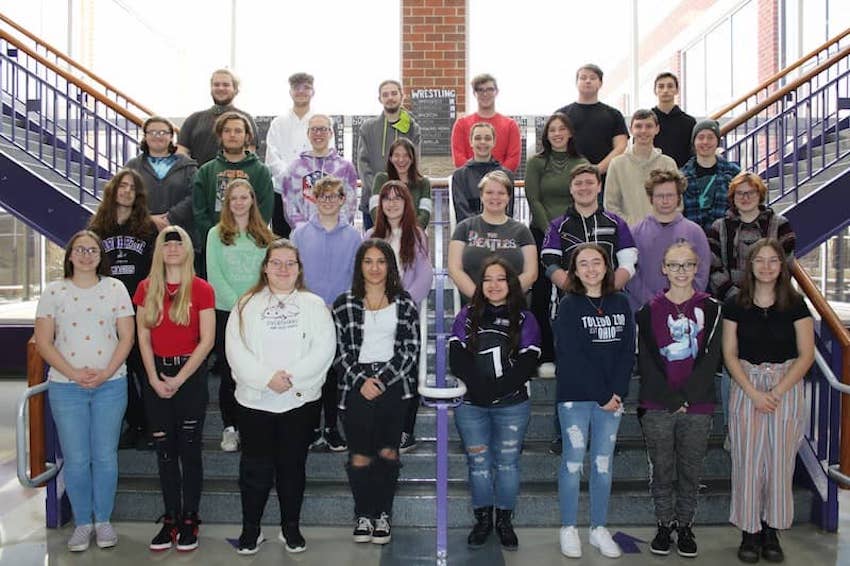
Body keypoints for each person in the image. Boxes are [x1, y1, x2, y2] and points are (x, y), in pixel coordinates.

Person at [225, 239, 336, 555]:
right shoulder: (246, 304)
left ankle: (291, 528)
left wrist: (291, 379)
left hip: (299, 402)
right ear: (265, 267)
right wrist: (265, 379)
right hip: (255, 402)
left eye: (291, 263)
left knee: (292, 467)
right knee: (254, 470)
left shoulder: (314, 305)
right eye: (276, 263)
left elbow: (324, 349)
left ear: (299, 269)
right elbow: (235, 349)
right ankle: (251, 529)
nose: (283, 269)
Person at [34, 230, 134, 552]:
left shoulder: (116, 288)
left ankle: (102, 521)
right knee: (76, 459)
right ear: (70, 255)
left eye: (92, 249)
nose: (87, 255)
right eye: (80, 249)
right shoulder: (54, 291)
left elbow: (127, 338)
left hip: (111, 384)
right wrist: (74, 373)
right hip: (66, 387)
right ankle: (82, 523)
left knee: (104, 457)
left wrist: (105, 373)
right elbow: (44, 343)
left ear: (100, 255)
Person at [722, 239, 813, 563]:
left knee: (779, 463)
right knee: (747, 462)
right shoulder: (735, 303)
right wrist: (754, 392)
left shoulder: (796, 304)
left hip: (785, 388)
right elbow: (729, 354)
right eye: (759, 260)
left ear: (781, 265)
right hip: (747, 386)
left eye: (772, 260)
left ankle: (772, 531)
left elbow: (806, 355)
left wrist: (775, 392)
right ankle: (750, 532)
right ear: (750, 265)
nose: (766, 266)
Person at [541, 164, 637, 455]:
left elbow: (628, 263)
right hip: (569, 307)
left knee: (608, 365)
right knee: (570, 367)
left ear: (599, 186)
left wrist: (607, 290)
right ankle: (564, 434)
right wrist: (578, 290)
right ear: (571, 189)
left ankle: (605, 431)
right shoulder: (557, 225)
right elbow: (550, 263)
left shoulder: (616, 222)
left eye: (589, 183)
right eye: (578, 183)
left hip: (610, 307)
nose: (583, 188)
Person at [636, 241, 723, 558]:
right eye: (674, 265)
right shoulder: (648, 311)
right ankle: (663, 524)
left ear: (697, 266)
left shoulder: (712, 309)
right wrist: (672, 398)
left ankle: (685, 526)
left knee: (690, 470)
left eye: (687, 264)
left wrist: (686, 397)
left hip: (698, 405)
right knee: (662, 469)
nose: (681, 271)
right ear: (663, 268)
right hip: (658, 405)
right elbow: (646, 362)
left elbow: (712, 359)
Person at [449, 257, 541, 550]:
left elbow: (528, 361)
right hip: (471, 406)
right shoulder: (466, 314)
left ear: (511, 283)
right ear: (480, 284)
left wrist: (497, 391)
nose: (494, 285)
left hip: (512, 405)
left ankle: (504, 520)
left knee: (507, 464)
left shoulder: (526, 318)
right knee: (478, 463)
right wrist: (480, 391)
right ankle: (483, 520)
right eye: (488, 279)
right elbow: (457, 358)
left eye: (501, 279)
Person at [332, 240, 420, 545]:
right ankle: (363, 515)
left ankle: (383, 514)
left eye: (381, 261)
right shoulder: (344, 303)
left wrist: (381, 379)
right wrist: (361, 381)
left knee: (387, 452)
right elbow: (340, 352)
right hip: (354, 387)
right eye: (368, 261)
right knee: (360, 456)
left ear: (390, 266)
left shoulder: (405, 303)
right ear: (359, 266)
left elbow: (410, 350)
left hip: (394, 386)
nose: (374, 267)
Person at [134, 226, 215, 552]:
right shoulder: (145, 288)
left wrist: (180, 378)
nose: (171, 248)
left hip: (190, 378)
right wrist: (153, 378)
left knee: (190, 451)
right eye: (165, 243)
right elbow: (142, 336)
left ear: (187, 249)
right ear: (158, 251)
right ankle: (170, 517)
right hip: (156, 377)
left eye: (177, 242)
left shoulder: (201, 289)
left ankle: (190, 518)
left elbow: (207, 340)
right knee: (166, 453)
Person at [554, 243, 635, 560]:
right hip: (576, 397)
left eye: (596, 262)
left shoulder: (621, 302)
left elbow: (627, 351)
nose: (590, 269)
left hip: (612, 400)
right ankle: (569, 527)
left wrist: (615, 392)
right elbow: (571, 355)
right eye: (583, 264)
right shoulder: (570, 305)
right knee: (573, 463)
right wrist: (602, 395)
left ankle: (598, 527)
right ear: (574, 271)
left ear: (607, 266)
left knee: (603, 464)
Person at [87, 169, 157, 451]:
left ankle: (154, 426)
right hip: (108, 312)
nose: (127, 191)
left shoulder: (149, 227)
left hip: (139, 309)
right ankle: (136, 424)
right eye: (122, 186)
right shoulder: (97, 229)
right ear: (113, 191)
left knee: (144, 368)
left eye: (132, 188)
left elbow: (155, 269)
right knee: (120, 371)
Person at [291, 176, 361, 452]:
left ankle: (331, 427)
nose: (328, 201)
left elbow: (357, 277)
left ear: (343, 200)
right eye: (323, 196)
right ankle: (309, 428)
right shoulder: (299, 234)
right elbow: (292, 274)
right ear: (314, 199)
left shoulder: (354, 236)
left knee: (334, 375)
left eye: (334, 196)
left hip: (340, 315)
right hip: (307, 314)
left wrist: (342, 305)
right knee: (308, 373)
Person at [206, 179, 276, 453]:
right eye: (233, 198)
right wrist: (240, 307)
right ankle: (230, 428)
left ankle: (252, 425)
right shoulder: (215, 234)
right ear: (227, 203)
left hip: (260, 314)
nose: (238, 202)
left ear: (251, 201)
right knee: (230, 371)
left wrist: (255, 306)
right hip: (227, 314)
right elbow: (215, 276)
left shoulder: (264, 236)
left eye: (243, 197)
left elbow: (268, 275)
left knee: (256, 370)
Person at [367, 181, 434, 452]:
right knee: (379, 372)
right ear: (380, 204)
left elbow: (425, 275)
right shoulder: (372, 234)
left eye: (398, 199)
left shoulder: (416, 234)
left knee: (406, 375)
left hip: (406, 316)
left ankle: (406, 430)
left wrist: (402, 304)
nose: (391, 203)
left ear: (407, 204)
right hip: (375, 318)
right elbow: (363, 274)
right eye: (386, 199)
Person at [525, 112, 588, 370]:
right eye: (552, 130)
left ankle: (575, 350)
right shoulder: (536, 162)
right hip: (541, 233)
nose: (557, 134)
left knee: (575, 292)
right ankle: (545, 352)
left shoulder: (581, 162)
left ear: (570, 132)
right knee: (541, 294)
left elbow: (584, 195)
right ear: (546, 135)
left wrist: (566, 231)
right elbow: (533, 198)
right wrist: (551, 231)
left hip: (575, 235)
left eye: (562, 129)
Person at [628, 169, 710, 312]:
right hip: (645, 310)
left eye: (670, 195)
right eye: (660, 196)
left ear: (679, 198)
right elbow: (631, 274)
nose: (665, 200)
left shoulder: (695, 232)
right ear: (651, 198)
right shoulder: (635, 232)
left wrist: (682, 301)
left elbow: (702, 273)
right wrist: (654, 303)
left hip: (686, 310)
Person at [192, 111, 274, 254]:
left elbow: (265, 210)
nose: (232, 135)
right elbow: (199, 211)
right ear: (220, 136)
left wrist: (247, 236)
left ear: (247, 136)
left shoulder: (261, 171)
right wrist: (217, 236)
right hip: (216, 245)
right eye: (227, 131)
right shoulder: (206, 171)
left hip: (251, 245)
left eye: (238, 131)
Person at [707, 172, 796, 302]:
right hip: (730, 303)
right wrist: (735, 297)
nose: (745, 197)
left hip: (770, 303)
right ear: (733, 196)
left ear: (760, 194)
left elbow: (786, 266)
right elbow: (713, 268)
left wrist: (764, 296)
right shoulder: (718, 227)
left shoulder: (780, 225)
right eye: (740, 193)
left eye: (751, 192)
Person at [448, 170, 537, 300]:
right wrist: (479, 298)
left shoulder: (522, 231)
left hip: (512, 306)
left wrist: (503, 296)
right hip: (473, 306)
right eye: (489, 192)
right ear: (481, 196)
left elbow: (531, 273)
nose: (495, 197)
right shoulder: (464, 228)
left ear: (508, 197)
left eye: (501, 193)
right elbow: (454, 269)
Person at [265, 72, 331, 238]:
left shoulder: (322, 122)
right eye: (296, 88)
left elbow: (327, 155)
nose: (301, 91)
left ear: (313, 92)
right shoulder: (278, 123)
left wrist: (305, 181)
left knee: (314, 240)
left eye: (306, 87)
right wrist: (292, 178)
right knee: (282, 242)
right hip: (281, 192)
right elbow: (272, 158)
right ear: (290, 92)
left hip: (314, 193)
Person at [357, 80, 421, 230]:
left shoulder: (412, 128)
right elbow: (363, 163)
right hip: (372, 204)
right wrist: (381, 192)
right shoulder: (368, 128)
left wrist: (398, 194)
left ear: (402, 96)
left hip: (404, 204)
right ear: (380, 99)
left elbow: (414, 162)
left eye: (394, 93)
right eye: (385, 95)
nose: (390, 97)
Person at [556, 64, 628, 188]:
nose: (588, 81)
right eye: (583, 78)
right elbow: (554, 146)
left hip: (605, 180)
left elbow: (621, 146)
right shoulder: (562, 114)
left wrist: (597, 170)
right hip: (569, 179)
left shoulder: (614, 114)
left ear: (600, 83)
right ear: (576, 83)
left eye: (593, 78)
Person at [125, 116, 198, 239]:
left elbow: (196, 195)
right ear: (145, 136)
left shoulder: (188, 166)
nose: (157, 136)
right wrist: (148, 218)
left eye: (163, 132)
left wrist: (170, 217)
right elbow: (123, 196)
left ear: (171, 137)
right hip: (141, 233)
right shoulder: (132, 166)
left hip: (180, 232)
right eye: (152, 132)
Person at [282, 114, 358, 230]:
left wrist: (333, 227)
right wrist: (305, 230)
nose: (318, 133)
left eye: (323, 129)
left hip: (337, 233)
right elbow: (289, 205)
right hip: (304, 236)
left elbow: (350, 205)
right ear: (308, 134)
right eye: (314, 129)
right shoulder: (294, 169)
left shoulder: (345, 168)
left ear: (331, 133)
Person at [603, 109, 678, 227]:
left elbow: (678, 203)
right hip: (628, 234)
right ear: (631, 129)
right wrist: (635, 227)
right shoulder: (617, 164)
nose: (643, 131)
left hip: (662, 232)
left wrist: (661, 224)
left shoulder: (668, 164)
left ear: (657, 129)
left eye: (649, 126)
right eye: (638, 126)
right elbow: (610, 206)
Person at [177, 69, 257, 166]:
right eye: (216, 85)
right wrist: (194, 172)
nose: (220, 88)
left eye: (226, 85)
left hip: (235, 178)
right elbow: (181, 151)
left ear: (235, 89)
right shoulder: (193, 119)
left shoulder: (246, 119)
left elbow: (250, 152)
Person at [451, 73, 521, 171]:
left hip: (500, 183)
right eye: (480, 90)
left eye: (489, 89)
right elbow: (459, 158)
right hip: (469, 183)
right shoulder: (461, 124)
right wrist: (474, 176)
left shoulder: (511, 125)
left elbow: (513, 159)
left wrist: (494, 180)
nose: (485, 94)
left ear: (496, 92)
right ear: (474, 93)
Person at [681, 120, 741, 232]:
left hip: (725, 238)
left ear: (717, 141)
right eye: (700, 137)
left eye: (710, 137)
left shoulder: (734, 173)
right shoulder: (681, 175)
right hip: (690, 238)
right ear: (694, 142)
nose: (705, 142)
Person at [451, 121, 515, 222]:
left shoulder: (507, 176)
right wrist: (481, 228)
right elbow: (462, 211)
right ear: (471, 142)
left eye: (487, 138)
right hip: (470, 232)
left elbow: (508, 211)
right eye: (477, 138)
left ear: (494, 142)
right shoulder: (460, 176)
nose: (482, 142)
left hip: (500, 232)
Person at [369, 138, 432, 229]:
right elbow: (374, 209)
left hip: (413, 235)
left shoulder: (424, 183)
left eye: (406, 155)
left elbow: (425, 214)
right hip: (385, 233)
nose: (401, 160)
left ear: (412, 158)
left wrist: (406, 232)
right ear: (390, 158)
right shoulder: (380, 179)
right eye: (397, 155)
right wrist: (390, 231)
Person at [652, 72, 696, 168]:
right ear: (655, 91)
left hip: (681, 175)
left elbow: (693, 152)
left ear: (677, 90)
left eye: (670, 86)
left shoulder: (689, 122)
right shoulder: (647, 122)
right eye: (661, 86)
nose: (665, 90)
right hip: (652, 175)